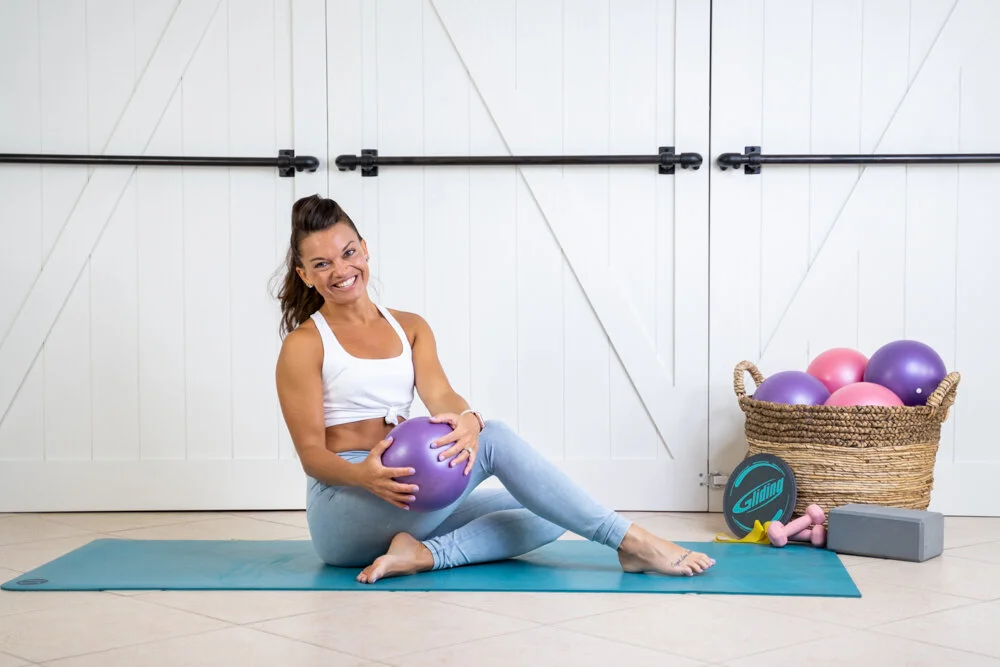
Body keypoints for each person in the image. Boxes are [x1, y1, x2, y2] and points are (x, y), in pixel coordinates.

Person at [274, 194, 716, 584]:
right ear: (306, 275)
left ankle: (423, 556)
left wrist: (468, 420)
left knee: (548, 508)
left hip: (414, 488)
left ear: (365, 249)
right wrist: (364, 476)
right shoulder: (304, 345)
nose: (342, 270)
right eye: (322, 264)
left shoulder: (409, 327)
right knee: (498, 442)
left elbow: (441, 396)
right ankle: (633, 541)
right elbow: (313, 456)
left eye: (348, 253)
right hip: (347, 508)